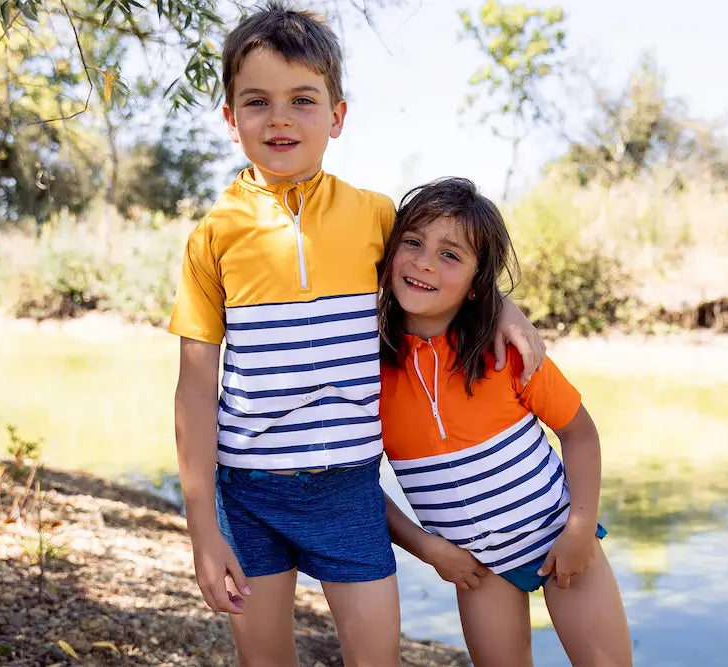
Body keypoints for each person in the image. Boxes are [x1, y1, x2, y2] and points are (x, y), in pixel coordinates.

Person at [168, 6, 545, 666]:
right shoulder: (214, 235)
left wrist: (504, 303)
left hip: (349, 492)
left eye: (302, 100)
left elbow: (436, 271)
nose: (280, 119)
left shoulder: (372, 215)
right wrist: (202, 527)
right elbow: (195, 390)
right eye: (257, 102)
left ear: (337, 116)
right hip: (249, 490)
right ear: (231, 119)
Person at [379, 177, 633, 667]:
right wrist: (428, 549)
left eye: (450, 255)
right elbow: (359, 481)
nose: (425, 262)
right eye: (412, 242)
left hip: (561, 539)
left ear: (478, 285)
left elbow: (578, 431)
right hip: (476, 568)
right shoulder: (369, 369)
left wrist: (580, 528)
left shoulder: (508, 352)